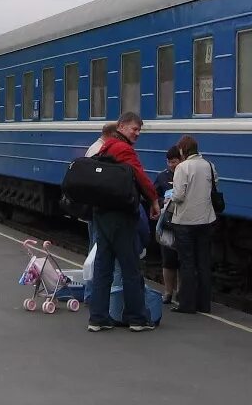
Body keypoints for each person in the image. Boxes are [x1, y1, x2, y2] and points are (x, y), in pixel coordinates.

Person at [86, 112, 158, 333]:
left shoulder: (106, 147)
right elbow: (140, 176)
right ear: (122, 127)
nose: (137, 134)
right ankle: (136, 318)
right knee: (130, 267)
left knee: (103, 267)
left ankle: (98, 318)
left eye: (138, 130)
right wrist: (154, 199)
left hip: (102, 214)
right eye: (134, 129)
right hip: (120, 216)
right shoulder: (123, 149)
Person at [170, 134, 217, 314]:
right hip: (205, 219)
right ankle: (204, 304)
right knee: (203, 262)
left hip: (185, 221)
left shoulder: (183, 167)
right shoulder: (209, 166)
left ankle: (187, 304)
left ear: (183, 150)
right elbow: (215, 186)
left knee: (187, 262)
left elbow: (179, 195)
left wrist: (170, 197)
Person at [153, 145, 183, 304]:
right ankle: (168, 292)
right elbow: (153, 195)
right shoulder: (162, 177)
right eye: (170, 162)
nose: (172, 164)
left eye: (175, 161)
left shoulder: (185, 174)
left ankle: (180, 292)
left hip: (183, 221)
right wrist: (160, 201)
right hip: (167, 223)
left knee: (182, 260)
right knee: (168, 259)